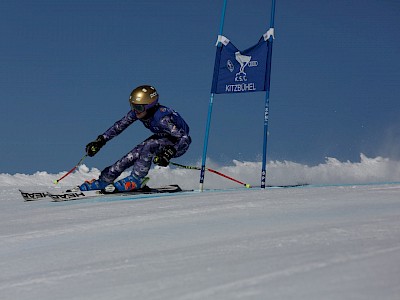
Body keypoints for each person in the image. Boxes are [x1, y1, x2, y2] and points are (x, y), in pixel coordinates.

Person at [78, 85, 191, 192]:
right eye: (133, 106)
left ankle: (136, 179)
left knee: (149, 145)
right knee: (135, 152)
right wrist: (101, 140)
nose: (135, 110)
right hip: (161, 139)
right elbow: (119, 126)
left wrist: (170, 152)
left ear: (149, 106)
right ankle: (105, 180)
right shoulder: (138, 113)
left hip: (178, 144)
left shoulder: (163, 119)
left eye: (138, 107)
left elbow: (184, 138)